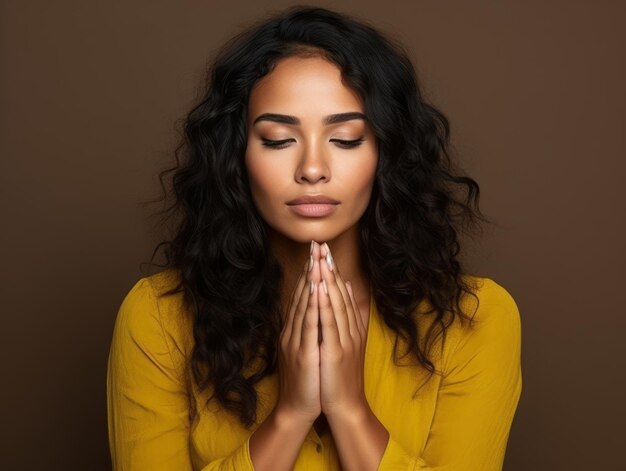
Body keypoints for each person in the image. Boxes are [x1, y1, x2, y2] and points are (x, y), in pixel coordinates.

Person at [106, 5, 522, 471]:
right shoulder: (158, 318)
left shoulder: (474, 320)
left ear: (387, 152)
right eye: (279, 140)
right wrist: (290, 415)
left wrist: (349, 408)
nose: (312, 169)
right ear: (236, 156)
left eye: (345, 139)